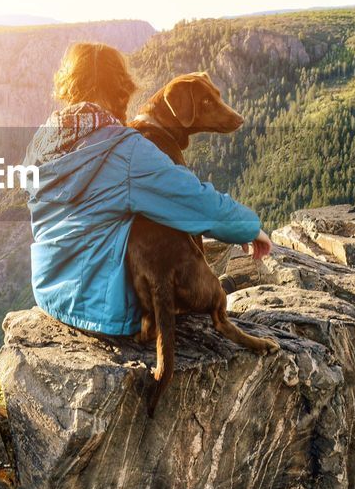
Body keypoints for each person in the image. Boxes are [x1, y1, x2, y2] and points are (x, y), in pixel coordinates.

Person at [24, 41, 272, 337]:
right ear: (122, 88)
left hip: (51, 292)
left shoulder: (44, 141)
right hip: (101, 309)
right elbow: (191, 199)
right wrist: (248, 227)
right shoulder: (125, 150)